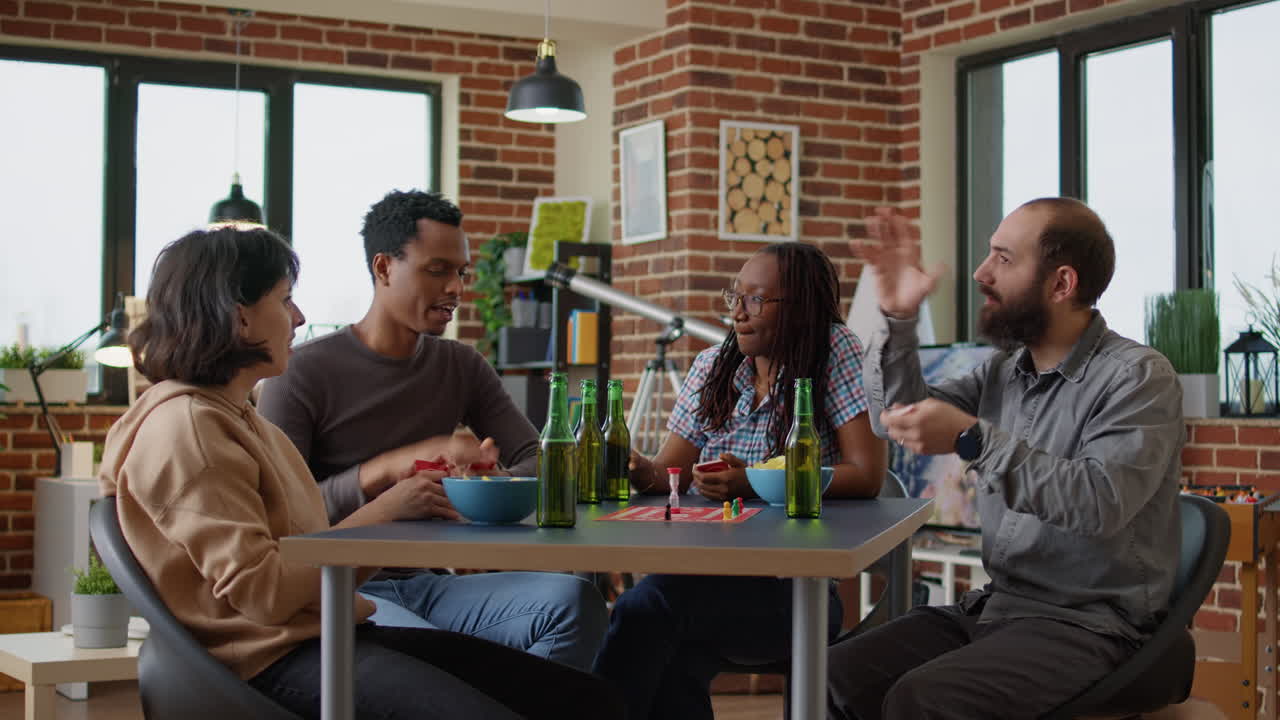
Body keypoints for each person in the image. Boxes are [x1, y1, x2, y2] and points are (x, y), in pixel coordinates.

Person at [97, 224, 622, 719]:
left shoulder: (237, 419)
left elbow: (305, 555)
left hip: (318, 634)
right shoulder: (190, 428)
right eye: (284, 300)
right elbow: (265, 593)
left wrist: (396, 515)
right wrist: (383, 515)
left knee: (586, 700)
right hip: (268, 660)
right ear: (239, 318)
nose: (298, 317)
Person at [826, 198, 1185, 719]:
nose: (980, 272)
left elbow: (1099, 502)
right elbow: (896, 417)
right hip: (1000, 607)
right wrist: (899, 318)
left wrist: (973, 438)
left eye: (1003, 259)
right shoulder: (1002, 371)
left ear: (1061, 284)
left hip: (1090, 626)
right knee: (833, 675)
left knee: (920, 699)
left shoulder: (1138, 378)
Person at [256, 189, 607, 670]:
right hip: (338, 588)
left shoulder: (460, 365)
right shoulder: (301, 373)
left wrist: (486, 484)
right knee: (434, 662)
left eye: (461, 272)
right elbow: (278, 518)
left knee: (575, 604)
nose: (457, 288)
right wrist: (380, 473)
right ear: (383, 268)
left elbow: (539, 457)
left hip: (430, 583)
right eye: (437, 270)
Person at [593, 242, 888, 720]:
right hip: (704, 576)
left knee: (644, 611)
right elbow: (671, 470)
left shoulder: (834, 350)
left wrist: (750, 482)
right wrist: (637, 469)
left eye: (756, 300)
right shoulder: (714, 365)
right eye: (736, 297)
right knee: (666, 642)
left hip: (794, 592)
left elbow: (867, 475)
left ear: (799, 308)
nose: (738, 313)